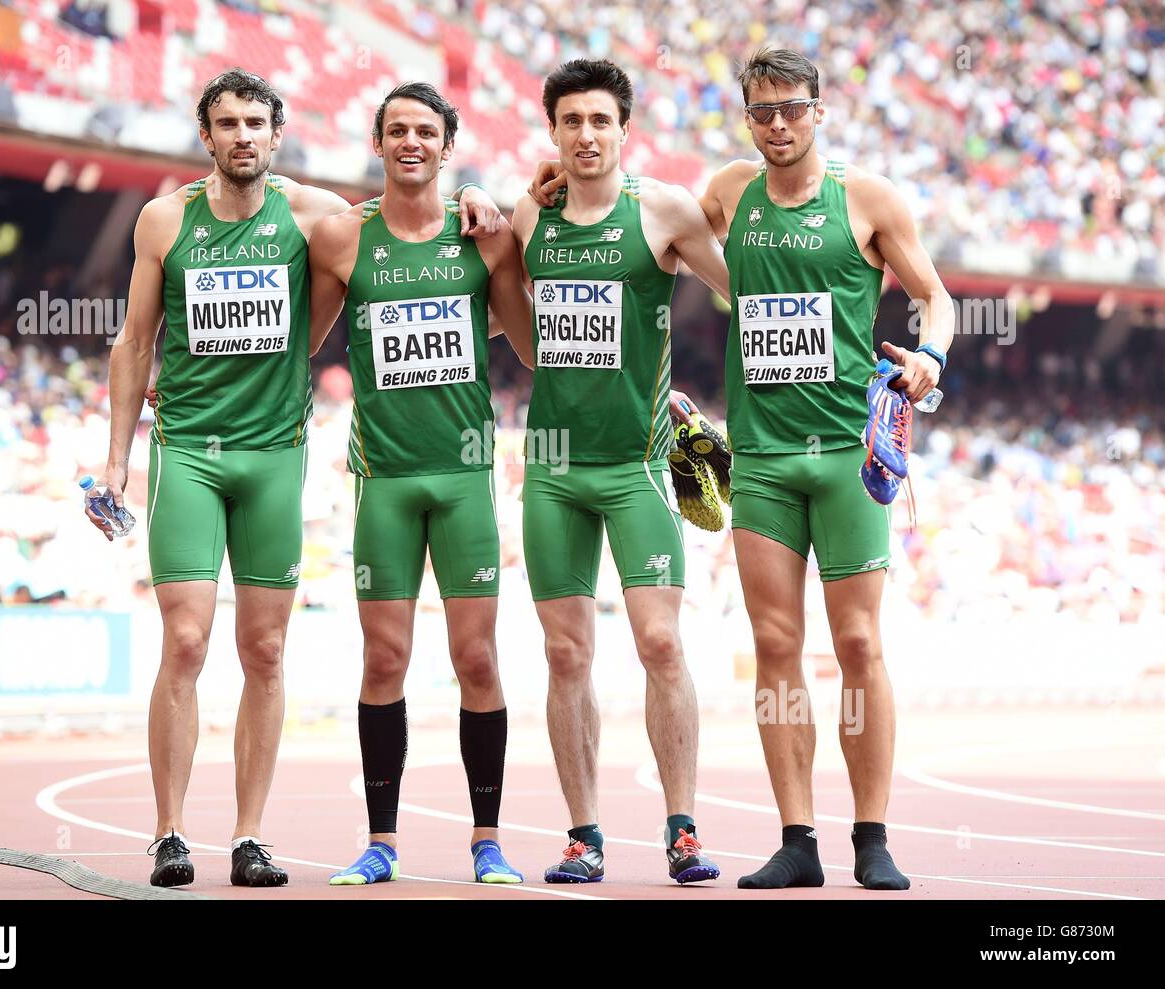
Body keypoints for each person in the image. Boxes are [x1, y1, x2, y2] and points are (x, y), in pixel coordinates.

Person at [93, 68, 501, 888]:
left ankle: (248, 836)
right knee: (186, 637)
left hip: (276, 453)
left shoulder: (317, 216)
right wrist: (115, 460)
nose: (243, 135)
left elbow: (407, 213)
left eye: (256, 122)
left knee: (266, 647)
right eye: (227, 123)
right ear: (206, 137)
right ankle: (171, 830)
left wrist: (479, 196)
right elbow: (135, 342)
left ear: (278, 136)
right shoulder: (163, 220)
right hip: (191, 452)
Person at [696, 46, 952, 890]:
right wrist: (548, 182)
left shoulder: (867, 199)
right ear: (746, 113)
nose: (777, 124)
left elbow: (936, 298)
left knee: (857, 641)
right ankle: (796, 837)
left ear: (820, 109)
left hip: (846, 452)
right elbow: (648, 229)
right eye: (761, 109)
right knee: (775, 643)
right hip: (763, 458)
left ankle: (872, 836)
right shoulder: (730, 193)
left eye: (792, 108)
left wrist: (931, 358)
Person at [307, 82, 534, 886]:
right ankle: (381, 842)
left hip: (465, 473)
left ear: (446, 145)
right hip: (386, 480)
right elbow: (295, 343)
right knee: (384, 660)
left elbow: (534, 348)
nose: (410, 141)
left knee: (477, 657)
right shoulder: (342, 240)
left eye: (425, 131)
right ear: (379, 143)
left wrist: (499, 208)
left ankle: (488, 840)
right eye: (396, 130)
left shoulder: (484, 239)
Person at [511, 59, 730, 885]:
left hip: (639, 466)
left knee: (661, 642)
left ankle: (682, 829)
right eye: (571, 121)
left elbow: (747, 290)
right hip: (556, 469)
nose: (585, 134)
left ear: (623, 129)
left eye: (600, 120)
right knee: (566, 655)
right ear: (554, 131)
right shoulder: (530, 217)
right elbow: (502, 308)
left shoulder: (663, 211)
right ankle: (583, 835)